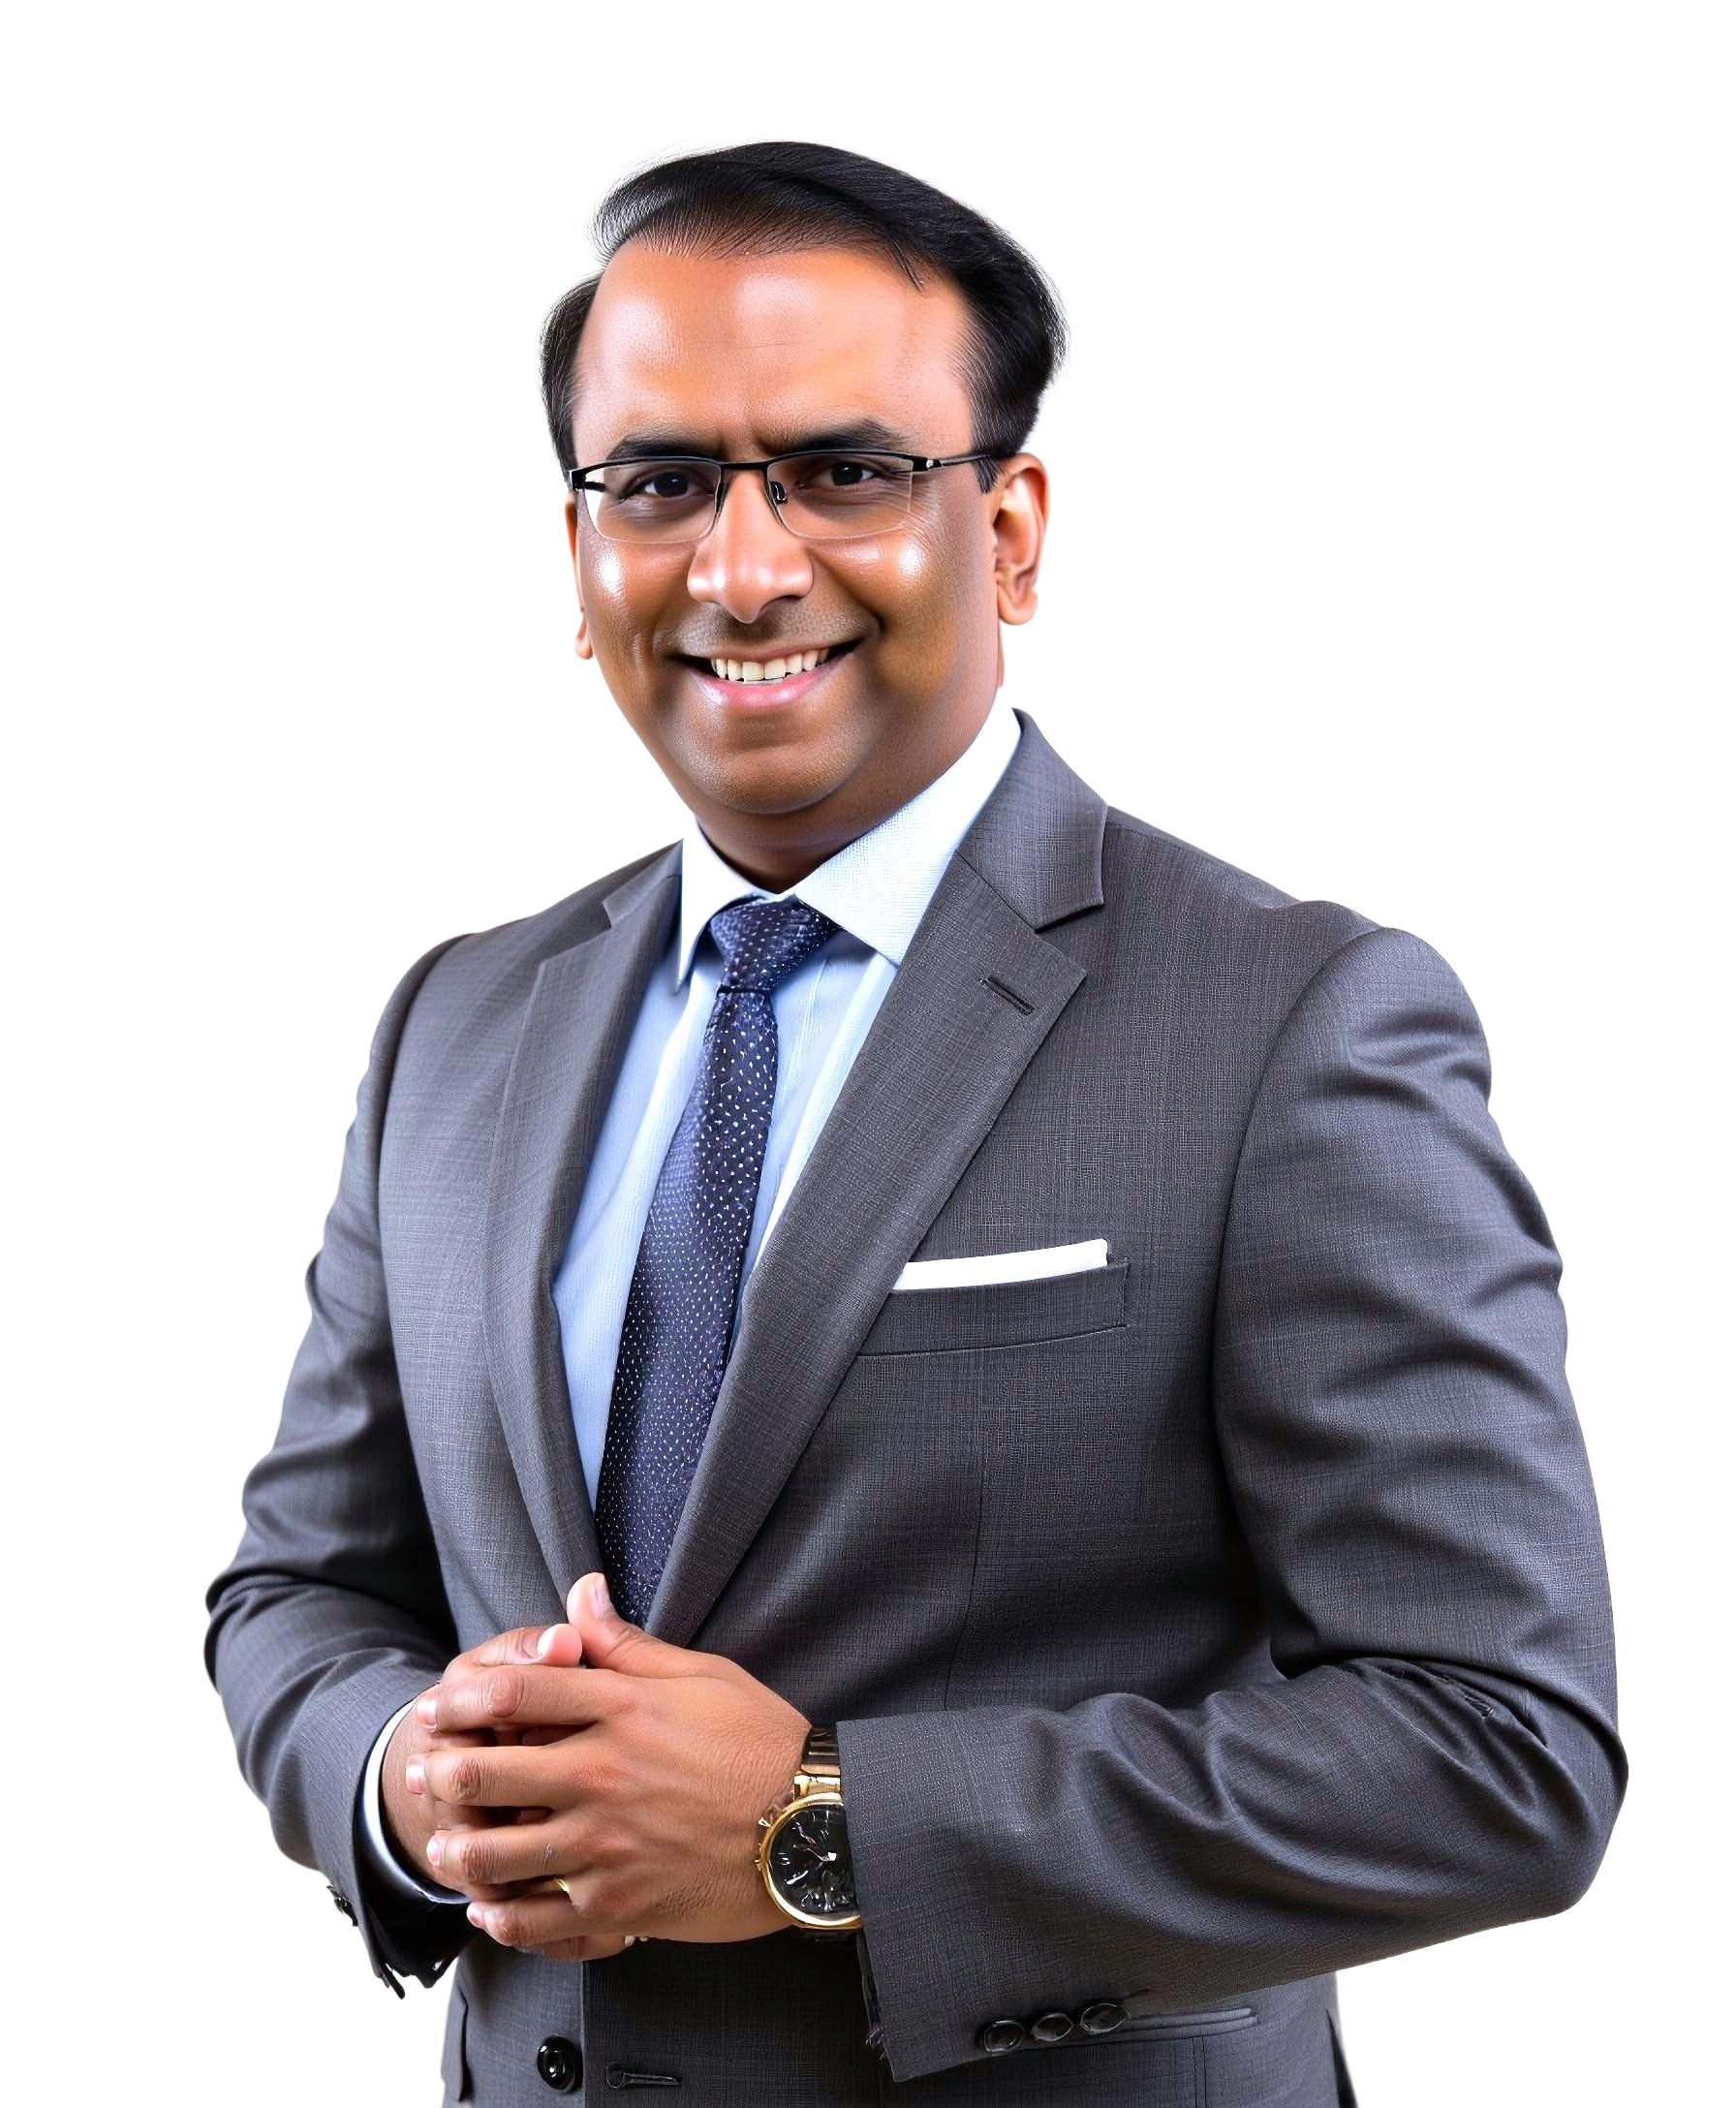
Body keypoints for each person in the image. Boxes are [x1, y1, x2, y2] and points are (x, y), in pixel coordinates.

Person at [200, 133, 1627, 2108]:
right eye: (661, 483)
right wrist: (400, 1774)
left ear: (1014, 528)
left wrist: (822, 1825)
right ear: (577, 553)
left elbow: (1497, 1751)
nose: (742, 568)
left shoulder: (1295, 1018)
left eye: (845, 471)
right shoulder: (457, 1019)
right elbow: (294, 1589)